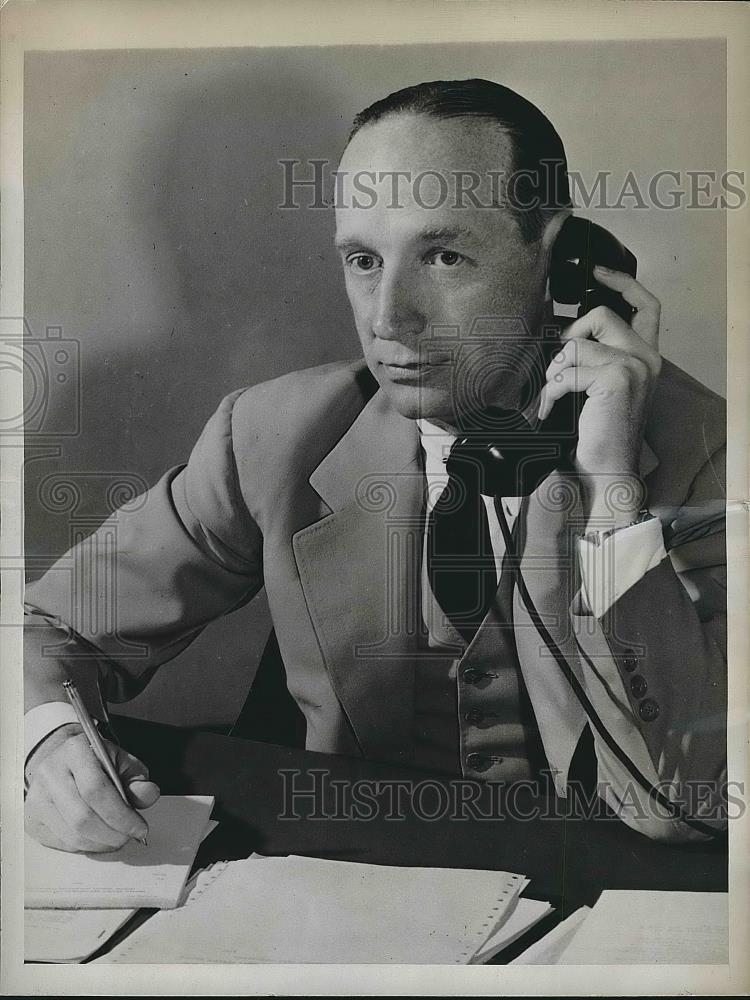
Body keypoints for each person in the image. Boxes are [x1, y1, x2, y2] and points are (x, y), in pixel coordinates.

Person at [24, 79, 727, 853]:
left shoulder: (711, 457)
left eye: (445, 255)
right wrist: (46, 740)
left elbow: (690, 800)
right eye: (363, 260)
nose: (389, 317)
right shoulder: (273, 433)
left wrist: (607, 492)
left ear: (560, 264)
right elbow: (46, 625)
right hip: (353, 891)